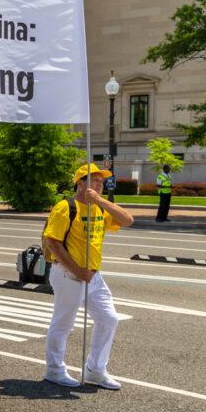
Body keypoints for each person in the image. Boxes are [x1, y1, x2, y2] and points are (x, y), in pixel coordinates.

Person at [42, 163, 136, 389]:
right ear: (80, 183)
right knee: (63, 323)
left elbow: (127, 220)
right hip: (68, 274)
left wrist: (101, 201)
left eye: (101, 182)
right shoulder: (66, 207)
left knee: (109, 319)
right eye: (94, 181)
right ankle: (54, 370)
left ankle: (96, 370)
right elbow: (52, 241)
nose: (99, 185)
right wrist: (77, 270)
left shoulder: (100, 208)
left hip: (93, 275)